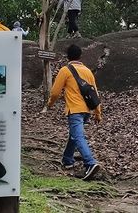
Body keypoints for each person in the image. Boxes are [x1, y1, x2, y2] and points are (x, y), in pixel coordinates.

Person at [42, 44, 102, 180]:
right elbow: (95, 94)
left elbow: (55, 92)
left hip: (75, 110)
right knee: (74, 135)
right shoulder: (87, 71)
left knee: (78, 136)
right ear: (80, 56)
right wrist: (98, 113)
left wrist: (49, 104)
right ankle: (68, 160)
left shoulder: (65, 70)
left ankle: (90, 163)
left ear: (67, 56)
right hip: (86, 110)